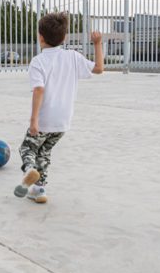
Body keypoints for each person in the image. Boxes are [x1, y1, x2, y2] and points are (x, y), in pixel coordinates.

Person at [13, 13, 104, 204]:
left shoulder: (38, 61)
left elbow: (38, 90)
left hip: (44, 119)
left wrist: (33, 120)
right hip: (63, 121)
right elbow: (98, 68)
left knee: (27, 148)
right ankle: (39, 190)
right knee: (45, 153)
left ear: (40, 37)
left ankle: (30, 171)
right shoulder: (72, 57)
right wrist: (97, 43)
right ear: (64, 38)